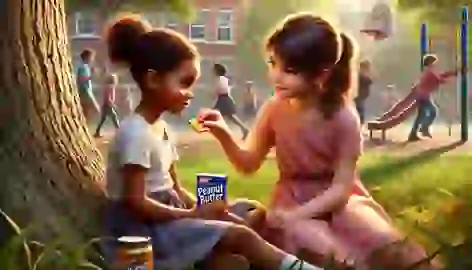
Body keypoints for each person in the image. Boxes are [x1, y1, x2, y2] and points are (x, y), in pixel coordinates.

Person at [197, 13, 438, 270]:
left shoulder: (343, 117)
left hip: (339, 203)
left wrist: (297, 215)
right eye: (272, 64)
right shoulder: (274, 109)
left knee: (385, 243)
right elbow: (248, 163)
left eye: (289, 71)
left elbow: (341, 189)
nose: (275, 77)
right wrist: (222, 133)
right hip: (291, 199)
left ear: (321, 74)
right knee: (323, 251)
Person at [103, 14, 324, 270]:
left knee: (250, 214)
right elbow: (136, 202)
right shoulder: (135, 133)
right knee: (241, 235)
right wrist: (190, 215)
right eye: (184, 83)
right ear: (153, 80)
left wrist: (203, 208)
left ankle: (219, 257)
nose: (190, 93)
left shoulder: (161, 129)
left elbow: (174, 187)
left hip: (170, 215)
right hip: (148, 231)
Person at [408, 54, 458, 141]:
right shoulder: (430, 72)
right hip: (423, 95)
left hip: (423, 94)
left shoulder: (429, 71)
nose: (436, 64)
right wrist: (449, 80)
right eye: (434, 62)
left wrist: (452, 73)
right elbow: (439, 79)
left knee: (421, 114)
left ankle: (413, 133)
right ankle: (424, 127)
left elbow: (441, 75)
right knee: (433, 112)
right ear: (431, 63)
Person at [212, 63, 249, 140]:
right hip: (224, 99)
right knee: (230, 117)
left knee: (215, 116)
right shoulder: (224, 79)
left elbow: (219, 90)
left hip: (223, 99)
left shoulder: (220, 79)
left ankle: (224, 133)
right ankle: (244, 130)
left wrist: (213, 94)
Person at [77, 49, 100, 121]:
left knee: (85, 111)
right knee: (96, 109)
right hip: (85, 92)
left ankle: (84, 125)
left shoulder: (86, 67)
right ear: (87, 57)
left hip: (86, 91)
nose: (92, 59)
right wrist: (91, 75)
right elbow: (81, 79)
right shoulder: (83, 67)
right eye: (92, 57)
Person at [354, 60, 373, 125]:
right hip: (358, 96)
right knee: (359, 111)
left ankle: (359, 125)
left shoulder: (364, 75)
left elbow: (370, 81)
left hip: (361, 96)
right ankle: (359, 126)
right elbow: (368, 81)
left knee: (360, 111)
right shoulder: (360, 75)